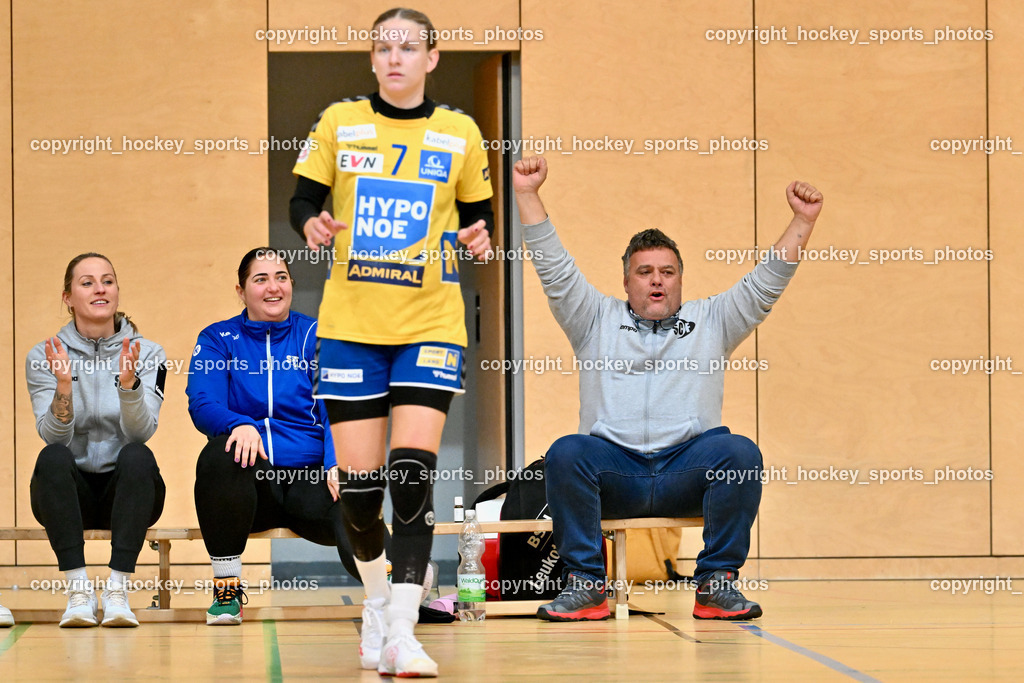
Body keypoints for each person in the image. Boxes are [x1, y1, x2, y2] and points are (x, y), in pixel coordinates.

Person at [512, 156, 824, 622]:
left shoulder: (713, 320)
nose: (657, 279)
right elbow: (554, 268)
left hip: (686, 471)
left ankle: (716, 583)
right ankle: (586, 586)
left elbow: (765, 285)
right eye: (644, 271)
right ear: (626, 282)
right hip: (614, 472)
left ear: (680, 280)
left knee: (739, 453)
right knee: (567, 452)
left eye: (667, 271)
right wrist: (527, 194)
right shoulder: (593, 317)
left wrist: (802, 220)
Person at [288, 7, 494, 677]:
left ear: (432, 58)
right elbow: (303, 200)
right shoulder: (339, 122)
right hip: (352, 328)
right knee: (360, 491)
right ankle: (377, 603)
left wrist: (481, 236)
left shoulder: (460, 133)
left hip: (431, 323)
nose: (396, 56)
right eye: (385, 47)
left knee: (412, 478)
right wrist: (312, 224)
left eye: (409, 47)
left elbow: (479, 217)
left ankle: (405, 628)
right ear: (372, 59)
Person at [187, 248, 374, 625]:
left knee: (354, 493)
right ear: (241, 291)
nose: (273, 287)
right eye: (261, 279)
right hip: (254, 488)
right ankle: (226, 590)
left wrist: (338, 461)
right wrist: (237, 424)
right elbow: (202, 400)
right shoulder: (218, 338)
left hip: (309, 483)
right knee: (218, 455)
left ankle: (392, 586)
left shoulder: (317, 336)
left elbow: (338, 406)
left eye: (281, 277)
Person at [26, 252, 167, 628]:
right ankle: (78, 592)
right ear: (68, 297)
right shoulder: (44, 355)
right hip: (68, 498)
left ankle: (117, 590)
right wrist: (63, 386)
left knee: (139, 454)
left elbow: (142, 431)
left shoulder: (149, 353)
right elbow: (51, 434)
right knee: (52, 456)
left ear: (117, 290)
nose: (99, 289)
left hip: (130, 495)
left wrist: (129, 385)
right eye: (86, 282)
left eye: (107, 280)